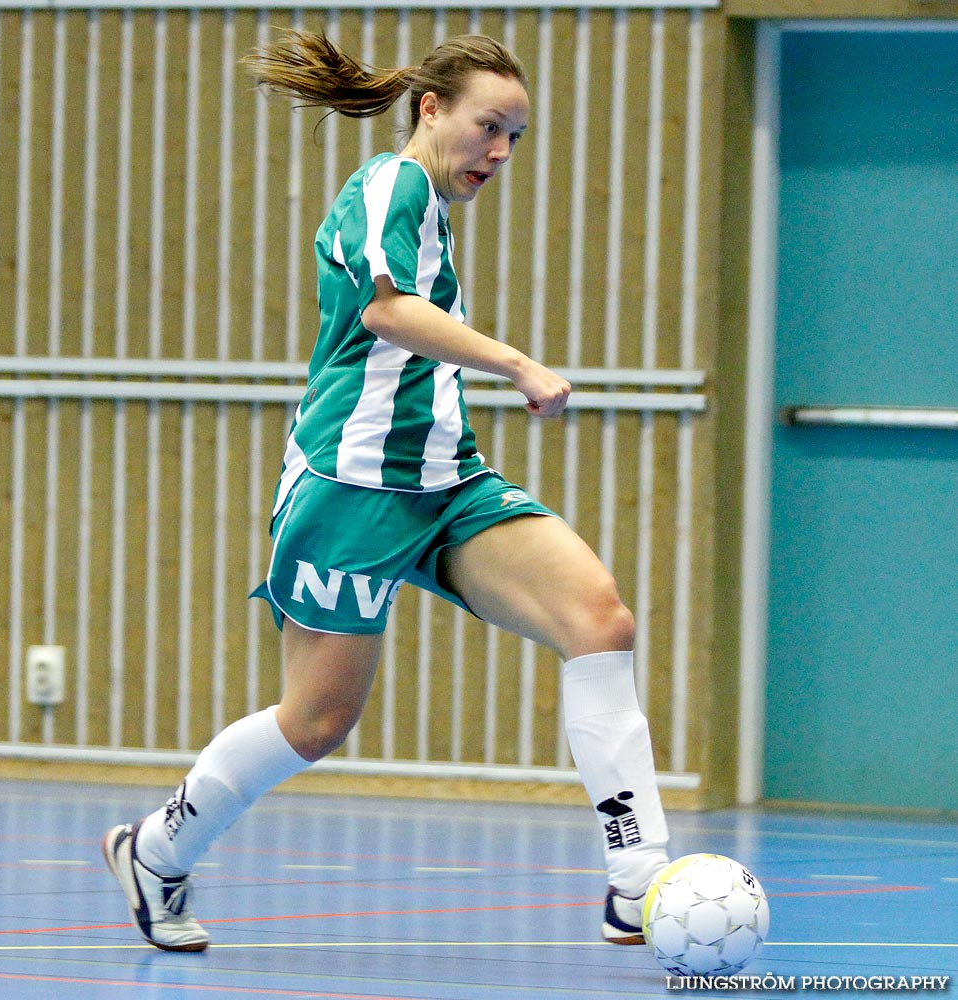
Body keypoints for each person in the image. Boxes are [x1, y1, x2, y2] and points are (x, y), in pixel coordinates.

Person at [103, 31, 669, 953]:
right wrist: (520, 363)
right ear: (431, 108)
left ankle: (636, 880)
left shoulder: (433, 211)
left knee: (599, 620)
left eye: (517, 138)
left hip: (448, 482)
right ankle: (156, 851)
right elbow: (385, 311)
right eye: (491, 127)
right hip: (350, 489)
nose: (501, 153)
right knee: (317, 721)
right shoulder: (388, 187)